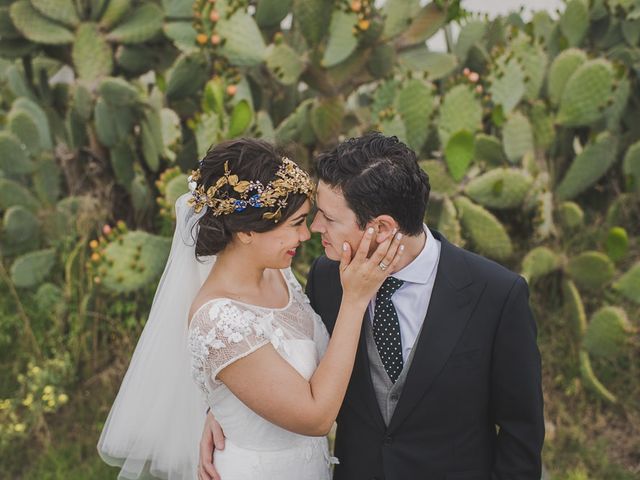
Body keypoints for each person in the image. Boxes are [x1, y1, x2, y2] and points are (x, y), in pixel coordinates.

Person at [199, 133, 545, 480]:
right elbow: (288, 364)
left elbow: (521, 435)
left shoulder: (497, 295)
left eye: (330, 219)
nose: (315, 228)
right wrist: (233, 410)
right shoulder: (325, 278)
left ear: (381, 228)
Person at [97, 138, 405, 480]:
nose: (307, 235)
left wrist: (226, 409)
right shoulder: (217, 319)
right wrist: (356, 299)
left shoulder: (278, 274)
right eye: (295, 223)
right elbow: (316, 418)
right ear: (246, 231)